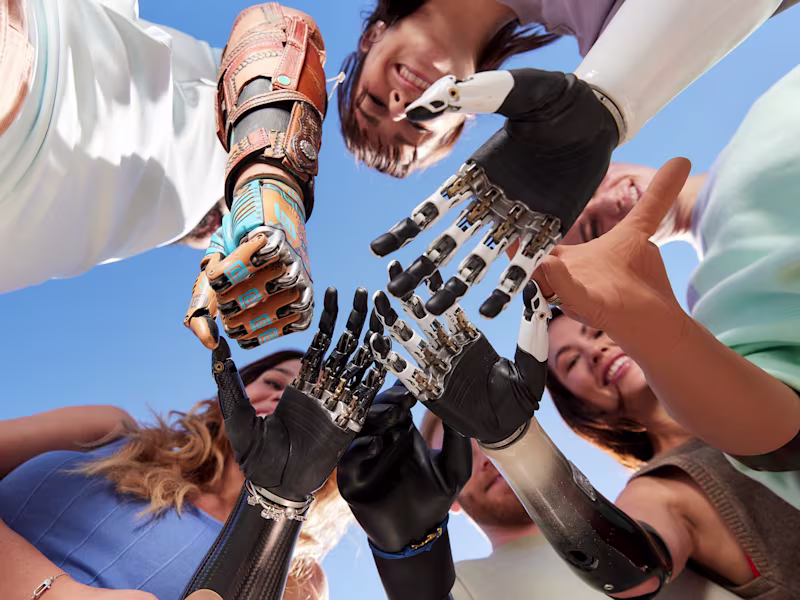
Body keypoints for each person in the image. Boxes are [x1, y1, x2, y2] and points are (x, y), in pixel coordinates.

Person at [532, 65, 800, 509]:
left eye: (584, 189)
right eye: (593, 230)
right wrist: (658, 331)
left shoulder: (769, 111)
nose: (606, 200)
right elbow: (779, 436)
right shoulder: (721, 306)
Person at [0, 1, 326, 351]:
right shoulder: (223, 113)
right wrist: (271, 176)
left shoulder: (117, 225)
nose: (224, 223)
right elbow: (277, 28)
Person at [0, 349, 350, 600]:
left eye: (312, 403)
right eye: (274, 382)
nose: (283, 400)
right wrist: (57, 591)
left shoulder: (298, 580)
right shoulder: (109, 431)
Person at [339, 0, 796, 177]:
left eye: (374, 101)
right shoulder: (613, 37)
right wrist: (611, 96)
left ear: (370, 37)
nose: (399, 106)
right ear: (464, 115)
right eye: (417, 125)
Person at [545, 308, 800, 598]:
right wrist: (517, 446)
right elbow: (627, 570)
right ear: (582, 408)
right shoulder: (658, 489)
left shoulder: (756, 372)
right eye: (572, 361)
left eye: (598, 332)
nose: (594, 351)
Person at [418, 409, 742, 599]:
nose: (489, 458)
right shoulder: (453, 587)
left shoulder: (643, 512)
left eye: (492, 438)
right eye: (461, 456)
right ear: (447, 497)